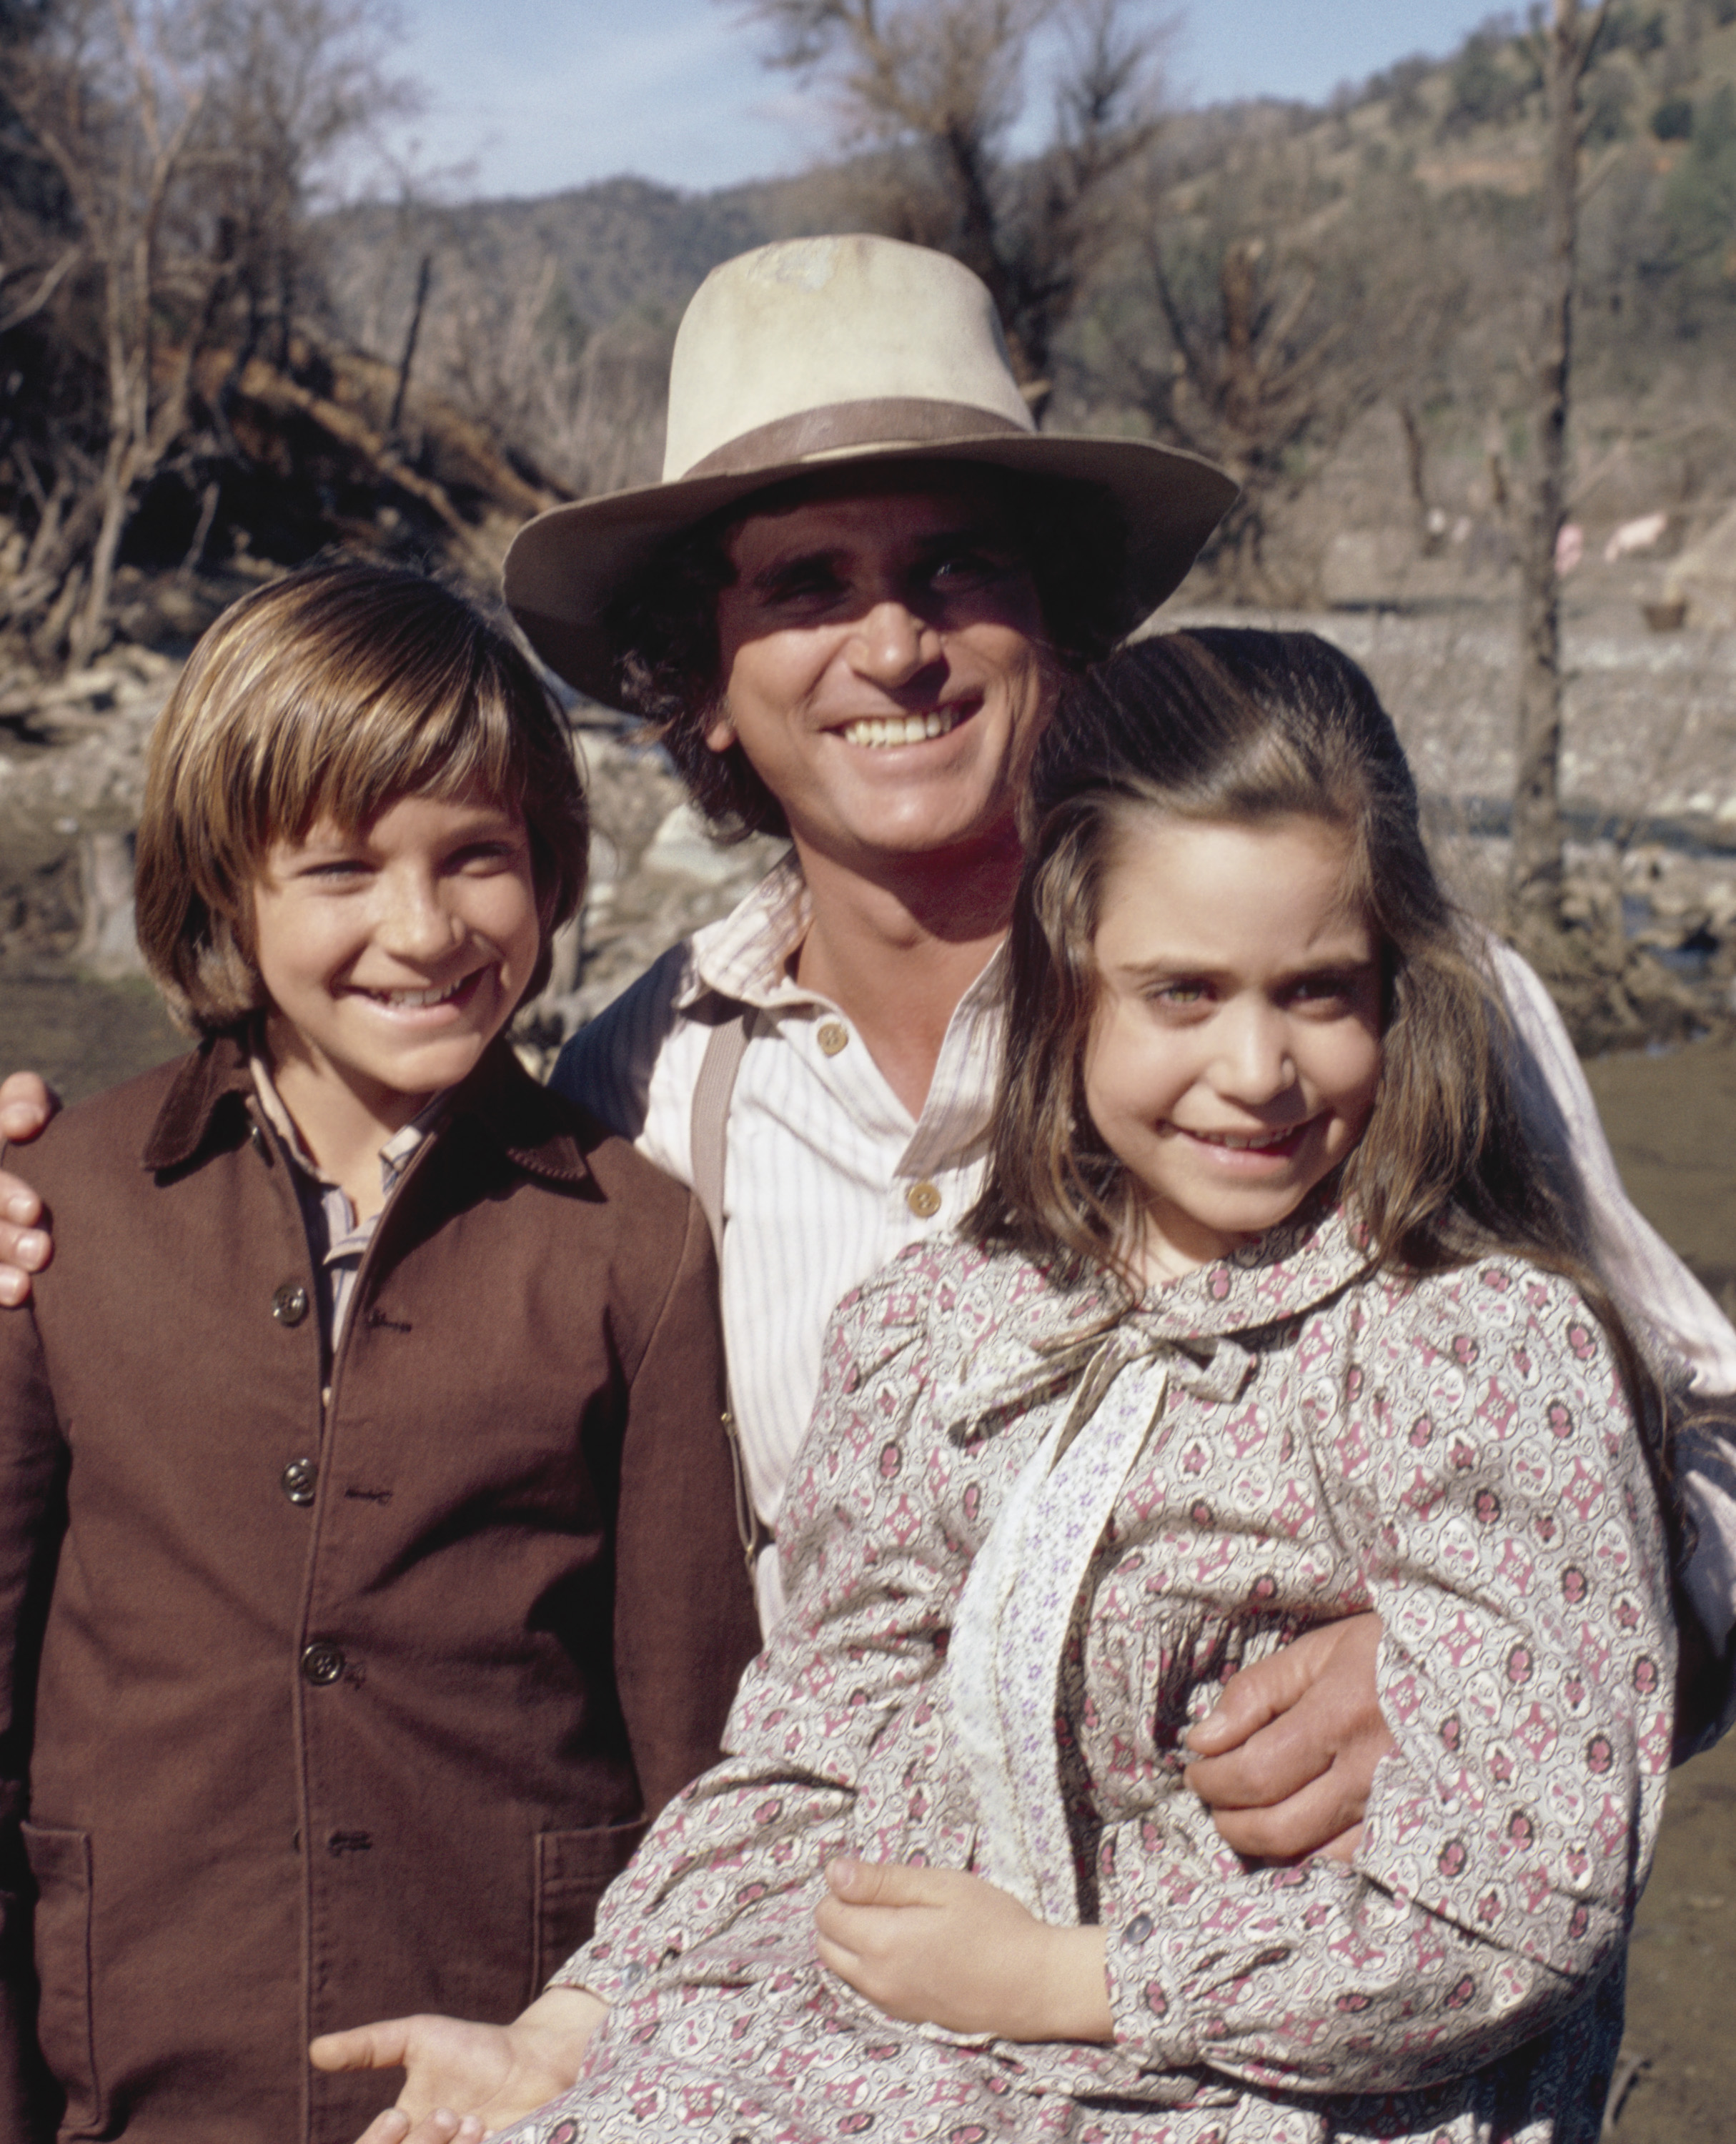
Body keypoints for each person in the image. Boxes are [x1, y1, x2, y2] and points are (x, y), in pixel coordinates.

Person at [0, 235, 1730, 1908]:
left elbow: (1710, 1445)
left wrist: (1476, 1661)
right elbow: (380, 1383)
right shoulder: (643, 1083)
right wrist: (45, 1209)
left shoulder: (1379, 1007)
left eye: (957, 569)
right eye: (806, 585)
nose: (895, 648)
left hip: (1321, 2016)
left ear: (1058, 621)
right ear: (701, 678)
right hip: (854, 2017)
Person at [333, 627, 1680, 2144]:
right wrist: (578, 2024)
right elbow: (814, 1756)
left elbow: (1525, 1902)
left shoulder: (1475, 1351)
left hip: (1268, 2085)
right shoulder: (943, 1326)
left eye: (1318, 993)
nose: (1256, 1068)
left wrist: (1067, 1980)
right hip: (924, 2052)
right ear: (1066, 985)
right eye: (1181, 994)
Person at [0, 563, 760, 2142]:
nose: (422, 929)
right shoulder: (60, 1209)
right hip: (135, 2064)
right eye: (340, 869)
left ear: (548, 867)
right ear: (225, 889)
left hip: (515, 2072)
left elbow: (694, 1747)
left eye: (477, 856)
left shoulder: (635, 1242)